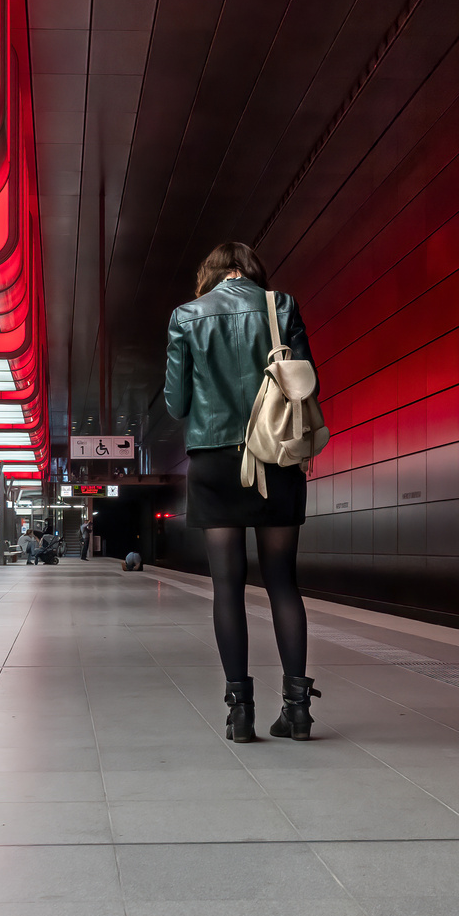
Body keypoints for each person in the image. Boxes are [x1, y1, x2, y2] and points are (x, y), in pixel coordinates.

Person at [165, 241, 320, 743]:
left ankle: (240, 712)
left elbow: (177, 402)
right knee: (283, 584)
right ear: (252, 270)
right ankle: (297, 712)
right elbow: (305, 384)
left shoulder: (186, 316)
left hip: (214, 460)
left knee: (227, 587)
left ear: (210, 275)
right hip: (275, 455)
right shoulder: (283, 306)